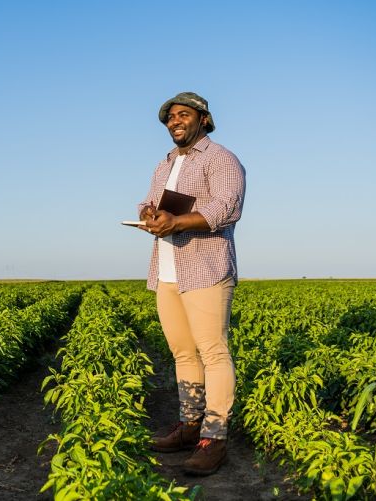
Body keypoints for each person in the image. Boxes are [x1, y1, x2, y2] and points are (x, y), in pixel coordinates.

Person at [137, 91, 246, 476]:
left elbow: (226, 207)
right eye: (169, 118)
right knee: (183, 354)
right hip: (167, 270)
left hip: (205, 269)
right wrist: (149, 213)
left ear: (203, 118)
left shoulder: (221, 159)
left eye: (183, 114)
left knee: (213, 353)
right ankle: (188, 426)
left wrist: (178, 221)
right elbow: (148, 202)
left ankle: (214, 439)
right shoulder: (165, 163)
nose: (174, 121)